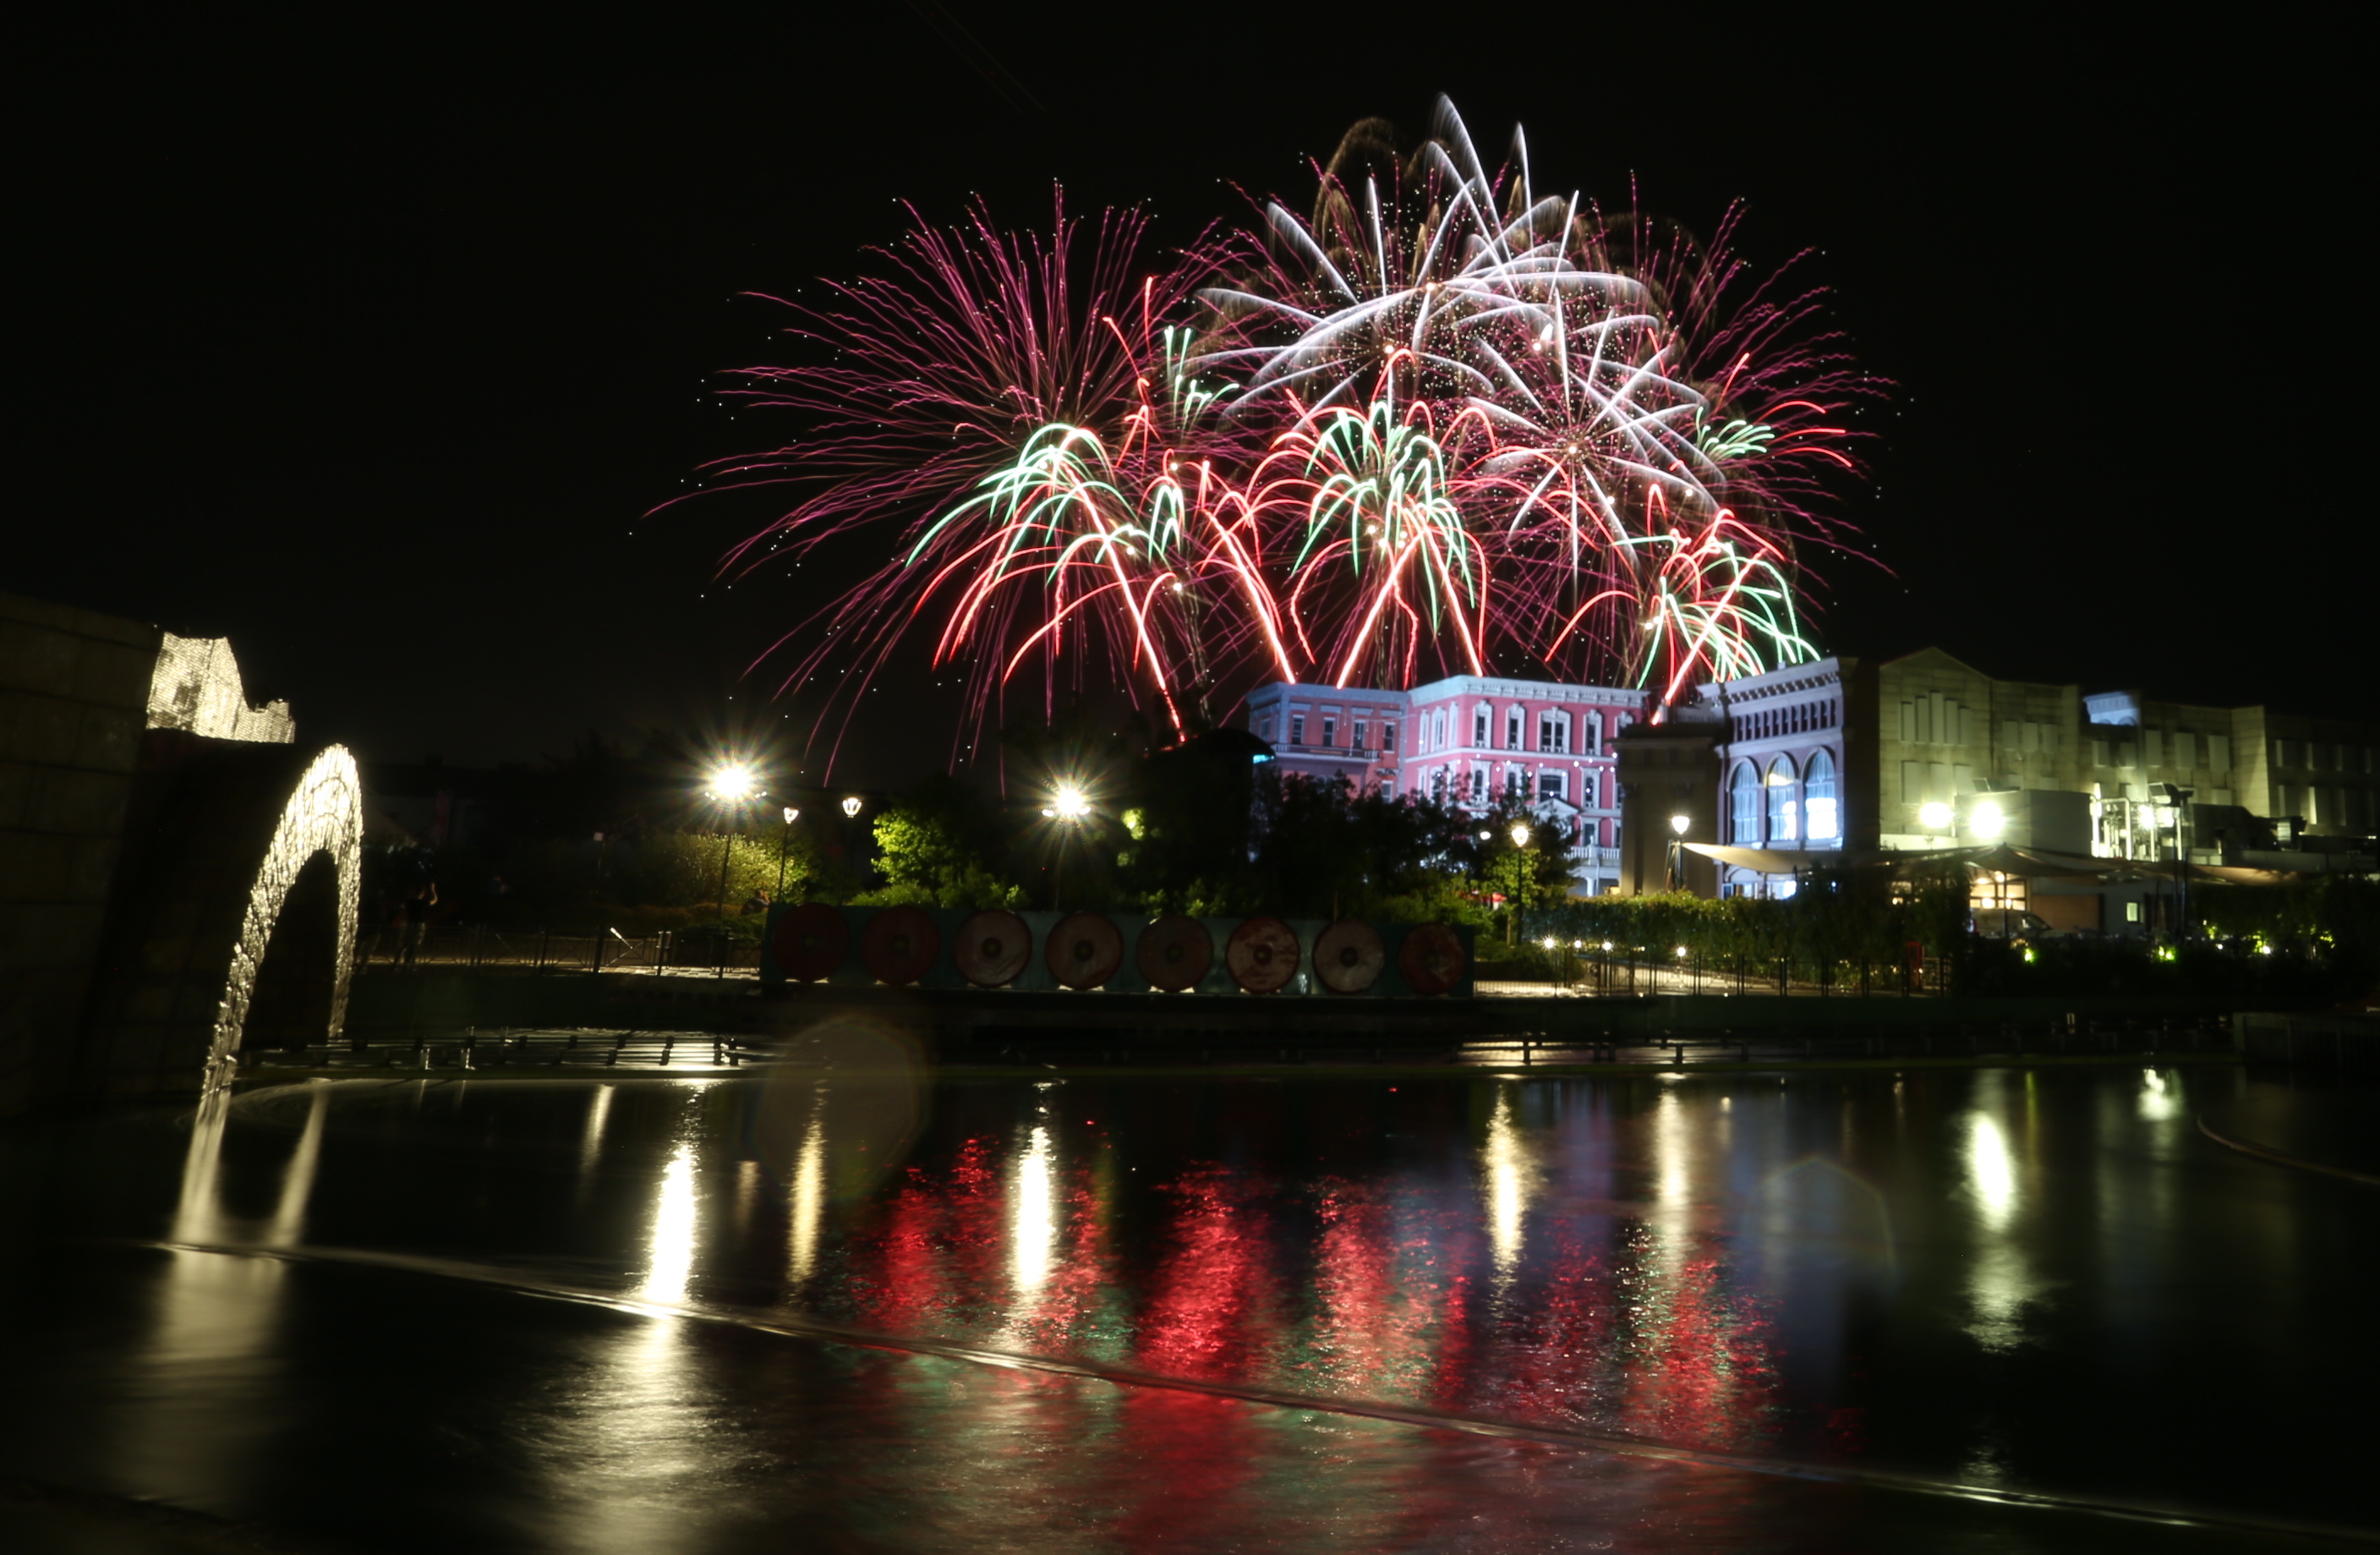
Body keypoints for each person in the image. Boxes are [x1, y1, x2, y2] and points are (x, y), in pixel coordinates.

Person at [398, 881, 438, 969]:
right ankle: (411, 962)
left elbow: (404, 909)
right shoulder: (423, 903)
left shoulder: (409, 902)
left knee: (406, 942)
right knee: (415, 943)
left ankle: (401, 962)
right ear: (422, 893)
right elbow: (434, 900)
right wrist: (432, 889)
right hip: (419, 924)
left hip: (410, 923)